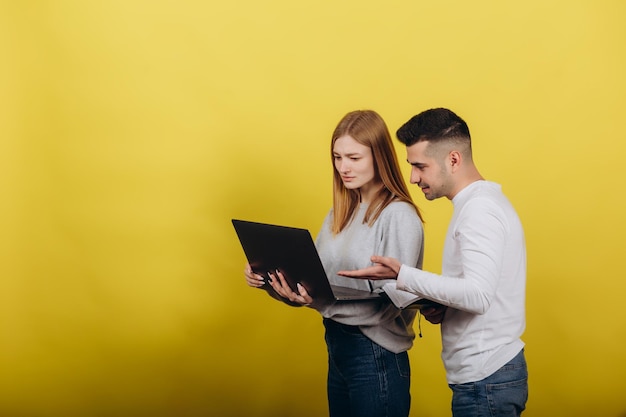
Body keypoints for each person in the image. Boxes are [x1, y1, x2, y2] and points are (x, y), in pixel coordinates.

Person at [339, 108, 528, 417]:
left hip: (486, 379)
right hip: (486, 379)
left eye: (420, 166)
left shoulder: (479, 211)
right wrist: (437, 302)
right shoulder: (478, 205)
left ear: (453, 160)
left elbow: (479, 295)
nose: (413, 177)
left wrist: (403, 274)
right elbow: (477, 290)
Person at [244, 109, 425, 417]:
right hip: (338, 346)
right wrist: (271, 279)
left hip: (375, 353)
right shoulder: (339, 213)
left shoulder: (399, 216)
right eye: (337, 157)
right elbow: (316, 285)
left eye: (354, 158)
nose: (343, 167)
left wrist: (321, 300)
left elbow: (397, 300)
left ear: (379, 157)